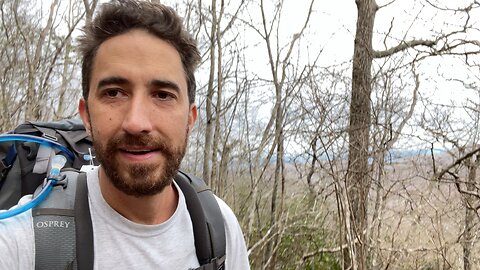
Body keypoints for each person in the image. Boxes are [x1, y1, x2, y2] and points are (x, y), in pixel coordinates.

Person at [0, 0, 250, 269]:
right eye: (114, 93)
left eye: (163, 95)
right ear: (87, 117)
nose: (136, 122)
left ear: (190, 119)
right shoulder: (24, 240)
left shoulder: (219, 228)